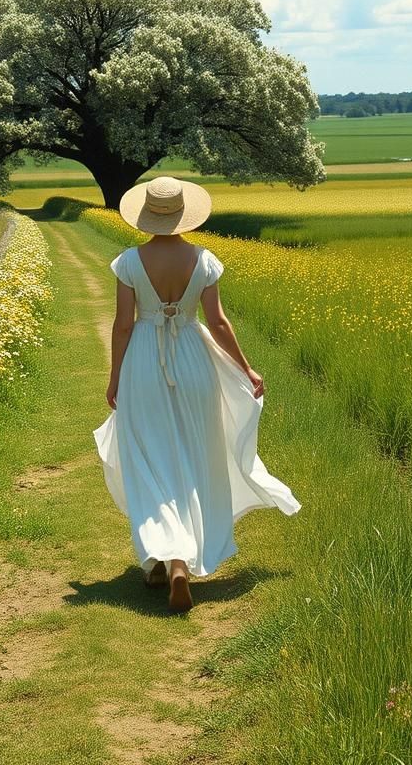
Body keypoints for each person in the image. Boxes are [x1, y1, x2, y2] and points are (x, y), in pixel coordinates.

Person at [93, 175, 302, 613]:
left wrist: (115, 377)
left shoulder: (129, 262)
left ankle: (168, 557)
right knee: (192, 456)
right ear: (183, 214)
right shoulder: (204, 260)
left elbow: (124, 325)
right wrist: (245, 368)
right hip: (192, 358)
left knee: (149, 458)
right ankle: (173, 559)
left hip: (145, 364)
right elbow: (219, 322)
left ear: (146, 216)